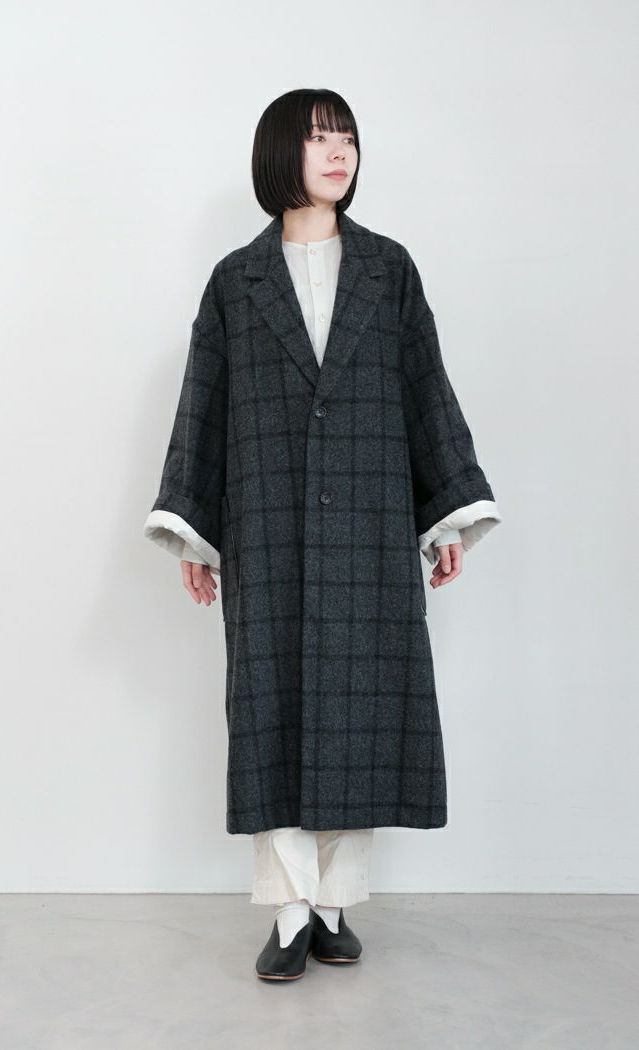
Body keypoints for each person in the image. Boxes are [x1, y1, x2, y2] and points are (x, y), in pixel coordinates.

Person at [144, 88, 502, 981]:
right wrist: (196, 534)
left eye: (346, 137)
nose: (338, 151)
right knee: (271, 708)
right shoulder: (236, 281)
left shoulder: (389, 269)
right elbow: (204, 405)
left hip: (372, 523)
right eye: (317, 138)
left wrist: (447, 517)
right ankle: (290, 913)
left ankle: (336, 905)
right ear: (281, 153)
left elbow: (425, 391)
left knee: (361, 712)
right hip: (268, 522)